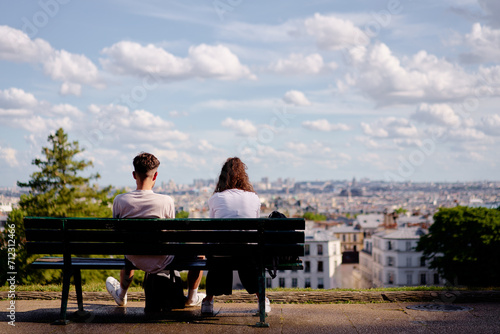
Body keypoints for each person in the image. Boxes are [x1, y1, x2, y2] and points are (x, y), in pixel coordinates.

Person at [105, 152, 204, 308]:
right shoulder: (166, 201)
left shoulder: (120, 200)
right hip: (163, 258)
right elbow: (170, 234)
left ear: (133, 175)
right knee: (200, 253)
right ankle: (192, 297)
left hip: (133, 255)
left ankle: (121, 295)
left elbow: (118, 233)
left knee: (129, 249)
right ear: (155, 175)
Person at [201, 157, 270, 315]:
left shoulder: (215, 198)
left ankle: (208, 301)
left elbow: (213, 228)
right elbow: (255, 227)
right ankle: (262, 300)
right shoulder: (254, 198)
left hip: (221, 255)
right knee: (247, 255)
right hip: (248, 255)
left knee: (217, 252)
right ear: (243, 177)